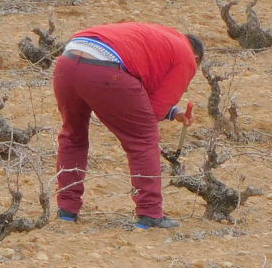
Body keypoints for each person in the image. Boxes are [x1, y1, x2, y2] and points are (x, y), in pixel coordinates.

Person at [53, 21, 202, 229]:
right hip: (106, 69)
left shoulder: (163, 37)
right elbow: (151, 113)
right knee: (144, 139)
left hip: (68, 61)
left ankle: (66, 210)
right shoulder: (187, 57)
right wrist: (164, 112)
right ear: (196, 59)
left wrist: (173, 112)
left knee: (73, 135)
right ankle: (149, 213)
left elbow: (137, 90)